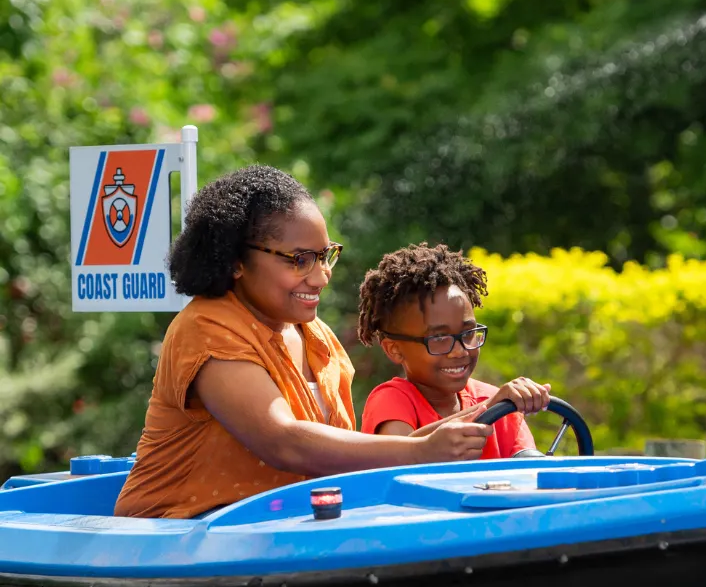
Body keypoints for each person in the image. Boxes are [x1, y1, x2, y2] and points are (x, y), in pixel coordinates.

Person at [114, 167, 491, 519]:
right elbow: (284, 441)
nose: (322, 277)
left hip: (279, 536)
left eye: (326, 256)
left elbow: (347, 454)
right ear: (235, 262)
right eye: (300, 260)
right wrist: (420, 451)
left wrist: (483, 413)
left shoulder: (316, 336)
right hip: (174, 542)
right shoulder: (206, 328)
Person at [357, 243, 549, 457]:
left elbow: (531, 470)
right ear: (394, 349)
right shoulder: (393, 399)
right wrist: (488, 409)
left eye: (467, 333)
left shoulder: (494, 400)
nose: (459, 351)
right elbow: (395, 457)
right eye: (439, 338)